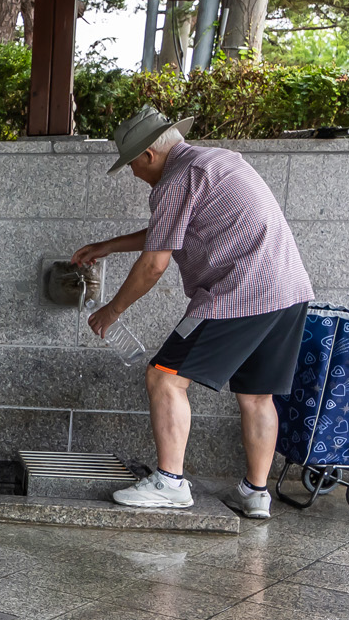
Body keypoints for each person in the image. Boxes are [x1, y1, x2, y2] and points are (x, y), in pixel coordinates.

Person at [70, 105, 315, 519]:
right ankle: (255, 493)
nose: (132, 173)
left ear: (148, 155)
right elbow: (171, 230)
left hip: (239, 294)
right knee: (257, 396)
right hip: (289, 291)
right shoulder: (216, 160)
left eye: (131, 164)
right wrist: (108, 246)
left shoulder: (176, 179)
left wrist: (112, 310)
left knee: (164, 377)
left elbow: (154, 264)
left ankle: (170, 482)